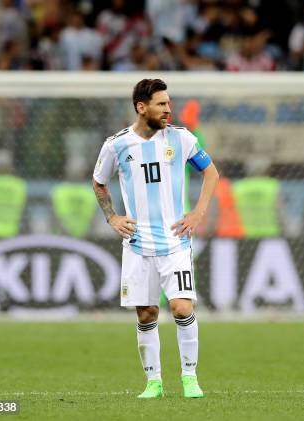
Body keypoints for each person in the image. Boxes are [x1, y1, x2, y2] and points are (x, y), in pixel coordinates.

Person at [92, 79, 219, 399]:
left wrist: (198, 212)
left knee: (180, 307)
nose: (168, 109)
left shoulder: (181, 138)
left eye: (168, 102)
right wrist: (112, 217)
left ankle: (190, 377)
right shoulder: (116, 145)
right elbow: (99, 183)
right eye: (161, 104)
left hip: (175, 241)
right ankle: (154, 382)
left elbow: (211, 172)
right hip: (137, 243)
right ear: (141, 107)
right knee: (146, 313)